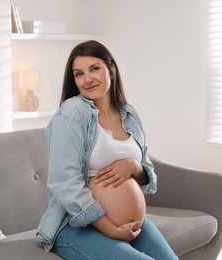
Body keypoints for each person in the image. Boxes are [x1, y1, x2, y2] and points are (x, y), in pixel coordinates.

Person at [36, 40, 178, 260]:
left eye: (94, 68)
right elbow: (64, 183)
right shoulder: (72, 112)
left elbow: (148, 175)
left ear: (111, 70)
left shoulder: (129, 114)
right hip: (76, 227)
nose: (87, 79)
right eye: (79, 74)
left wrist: (134, 167)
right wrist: (111, 229)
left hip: (131, 225)